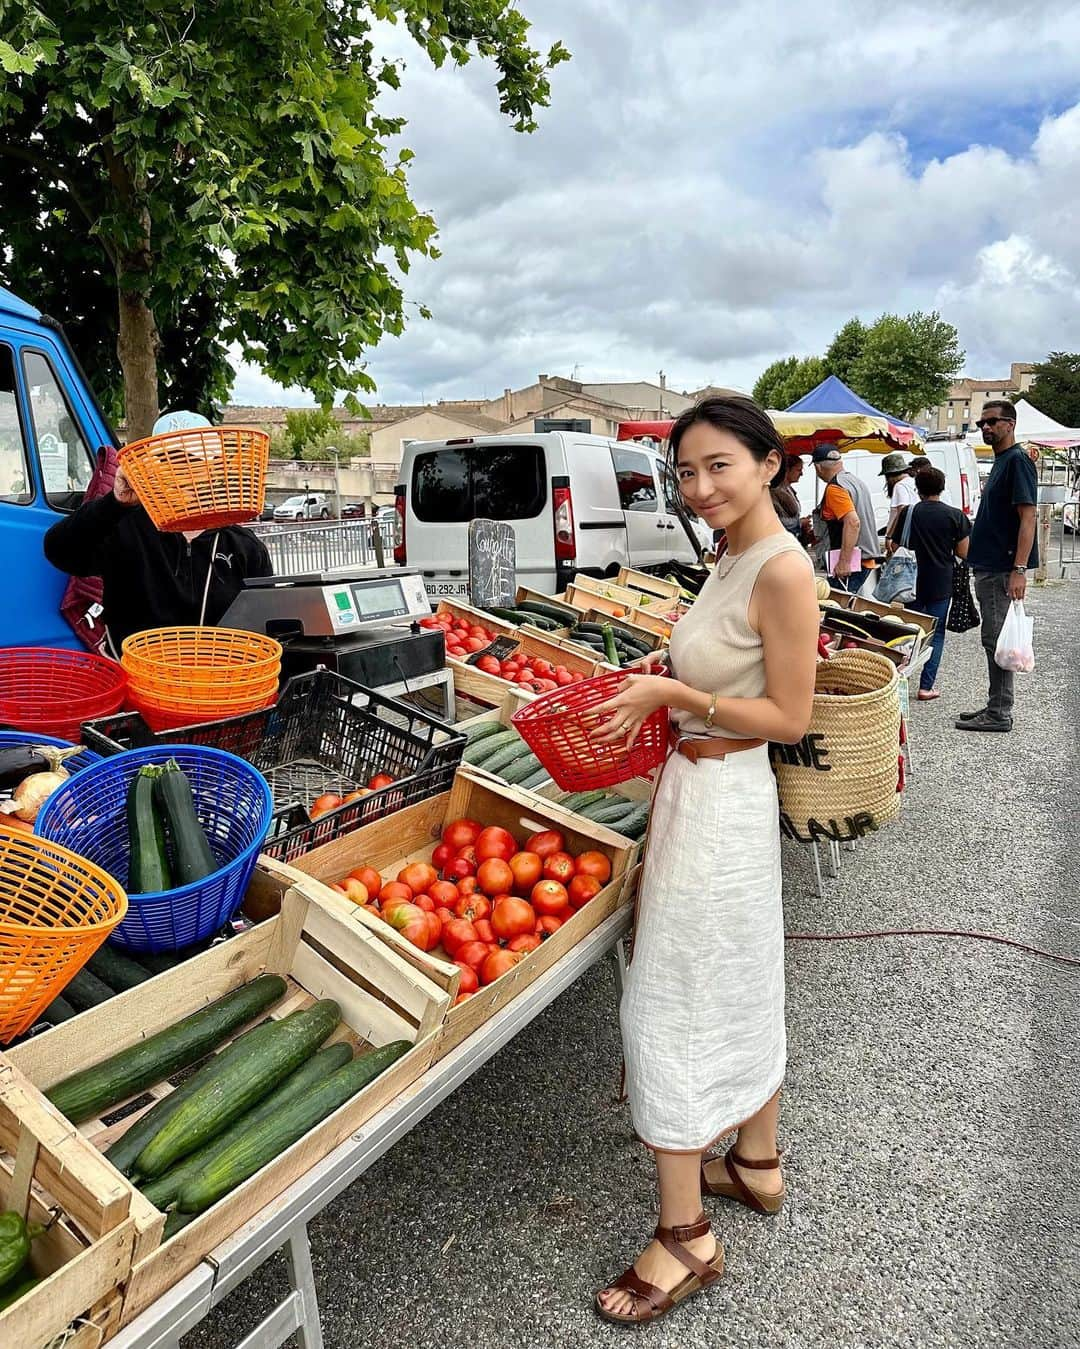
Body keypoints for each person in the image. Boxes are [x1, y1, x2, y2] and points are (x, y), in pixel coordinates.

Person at [591, 396, 818, 1326]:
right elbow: (731, 669)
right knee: (740, 978)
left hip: (726, 801)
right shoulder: (729, 555)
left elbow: (791, 720)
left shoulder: (784, 570)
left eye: (719, 464)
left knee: (670, 1002)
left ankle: (684, 1233)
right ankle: (755, 1163)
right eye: (686, 471)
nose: (699, 486)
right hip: (701, 792)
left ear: (769, 463)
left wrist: (677, 690)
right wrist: (674, 672)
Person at [44, 412, 272, 653]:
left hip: (217, 683)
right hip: (133, 679)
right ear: (152, 467)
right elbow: (59, 550)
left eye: (193, 461)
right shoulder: (122, 526)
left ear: (213, 469)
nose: (181, 471)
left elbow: (269, 623)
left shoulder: (244, 547)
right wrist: (114, 503)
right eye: (170, 460)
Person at [957, 400, 1037, 733]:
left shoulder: (1017, 460)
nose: (985, 428)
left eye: (992, 422)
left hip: (1001, 568)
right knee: (994, 639)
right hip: (990, 565)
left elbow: (1028, 516)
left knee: (998, 640)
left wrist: (1018, 569)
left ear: (1010, 424)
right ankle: (995, 705)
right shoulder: (1004, 460)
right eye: (981, 423)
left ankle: (1000, 712)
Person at [891, 466, 970, 701]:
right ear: (942, 487)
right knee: (936, 634)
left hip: (909, 582)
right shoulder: (955, 515)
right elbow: (964, 551)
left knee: (908, 632)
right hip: (941, 582)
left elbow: (895, 545)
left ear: (917, 489)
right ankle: (926, 686)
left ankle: (899, 680)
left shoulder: (909, 513)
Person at [811, 446, 880, 591]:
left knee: (836, 607)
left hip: (850, 563)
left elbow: (853, 522)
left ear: (818, 468)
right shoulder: (855, 481)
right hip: (864, 558)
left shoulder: (835, 488)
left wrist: (844, 561)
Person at [880, 452, 918, 556]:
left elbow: (901, 511)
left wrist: (889, 536)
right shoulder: (914, 482)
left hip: (903, 537)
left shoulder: (900, 486)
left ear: (889, 476)